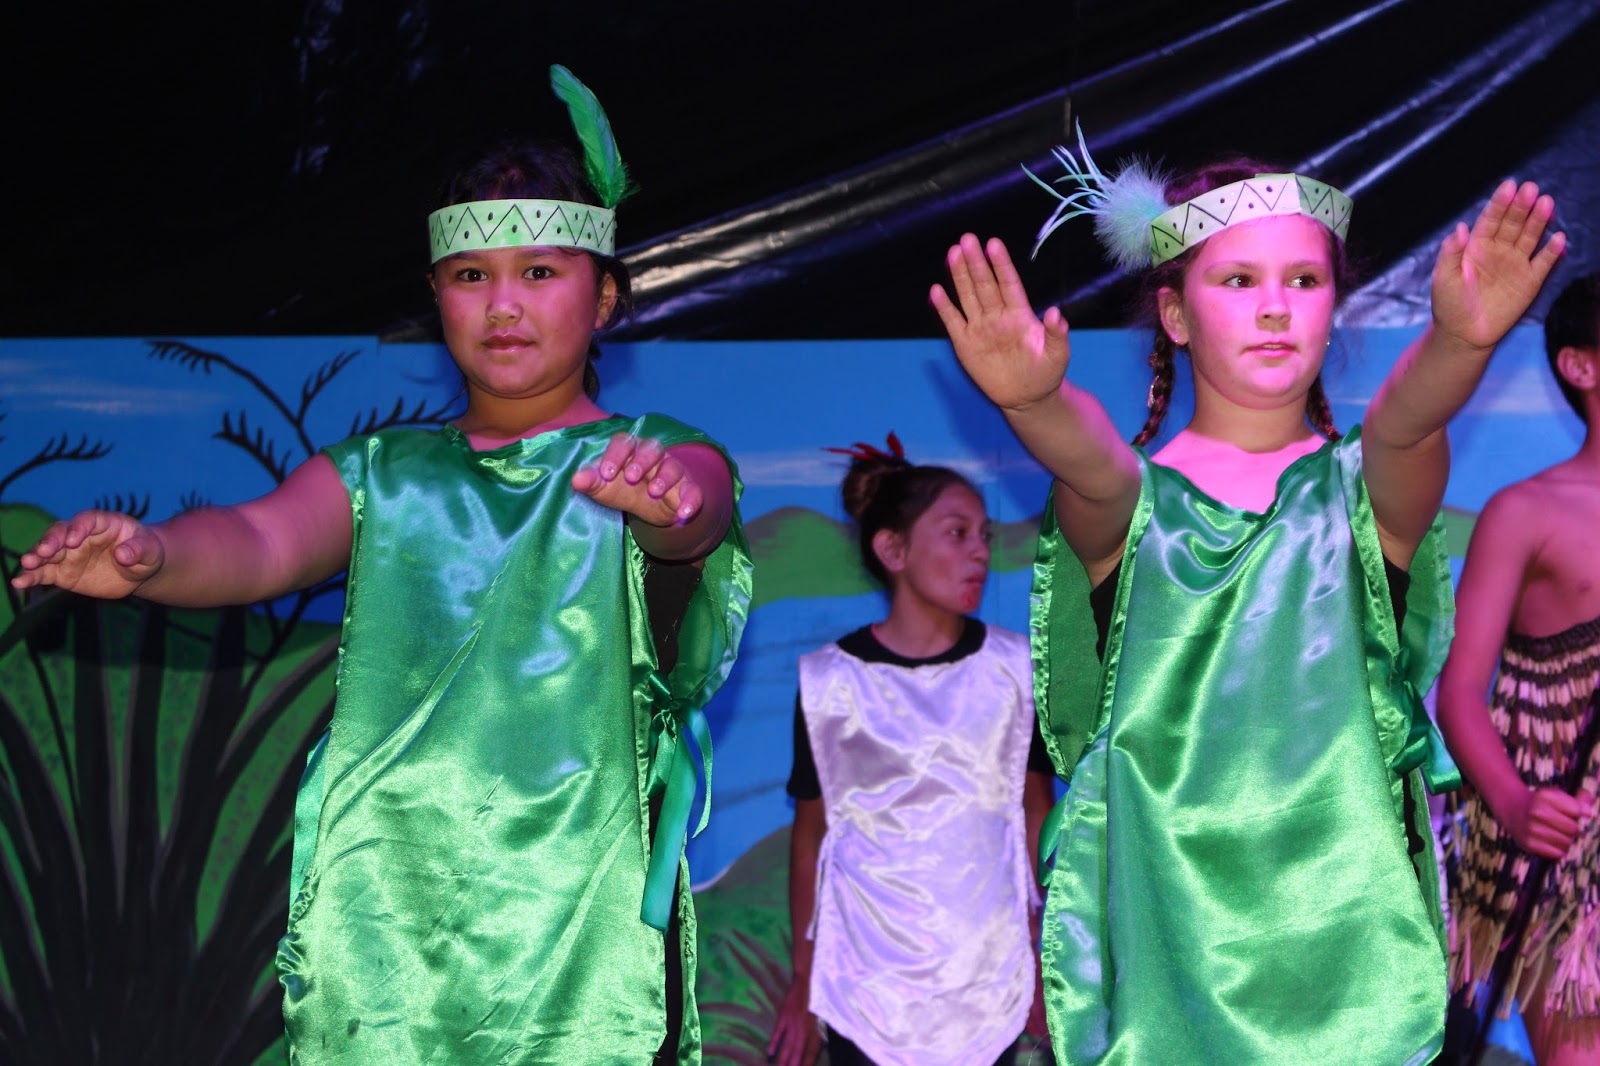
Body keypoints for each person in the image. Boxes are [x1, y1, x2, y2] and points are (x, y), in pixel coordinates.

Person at [10, 66, 752, 1066]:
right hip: (386, 926)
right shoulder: (382, 473)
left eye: (539, 272)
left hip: (584, 926)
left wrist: (667, 504)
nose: (502, 304)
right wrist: (154, 558)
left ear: (605, 296)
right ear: (437, 295)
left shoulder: (657, 453)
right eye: (471, 275)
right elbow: (262, 539)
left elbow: (694, 513)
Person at [929, 134, 1565, 1064]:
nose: (1275, 307)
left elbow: (1405, 424)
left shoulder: (1363, 494)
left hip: (1354, 978)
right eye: (1237, 281)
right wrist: (1035, 405)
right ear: (1175, 315)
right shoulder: (1135, 505)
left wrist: (1459, 343)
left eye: (1304, 281)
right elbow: (1094, 465)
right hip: (1169, 971)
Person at [766, 436, 1054, 1066]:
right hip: (864, 987)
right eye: (957, 533)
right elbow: (812, 837)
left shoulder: (1015, 673)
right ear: (893, 549)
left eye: (984, 535)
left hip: (988, 982)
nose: (980, 551)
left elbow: (1035, 813)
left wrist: (1040, 953)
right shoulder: (830, 682)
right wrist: (805, 981)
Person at [1439, 272, 1600, 1065]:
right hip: (1571, 857)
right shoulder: (1527, 511)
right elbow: (1460, 692)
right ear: (1582, 366)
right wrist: (1515, 802)